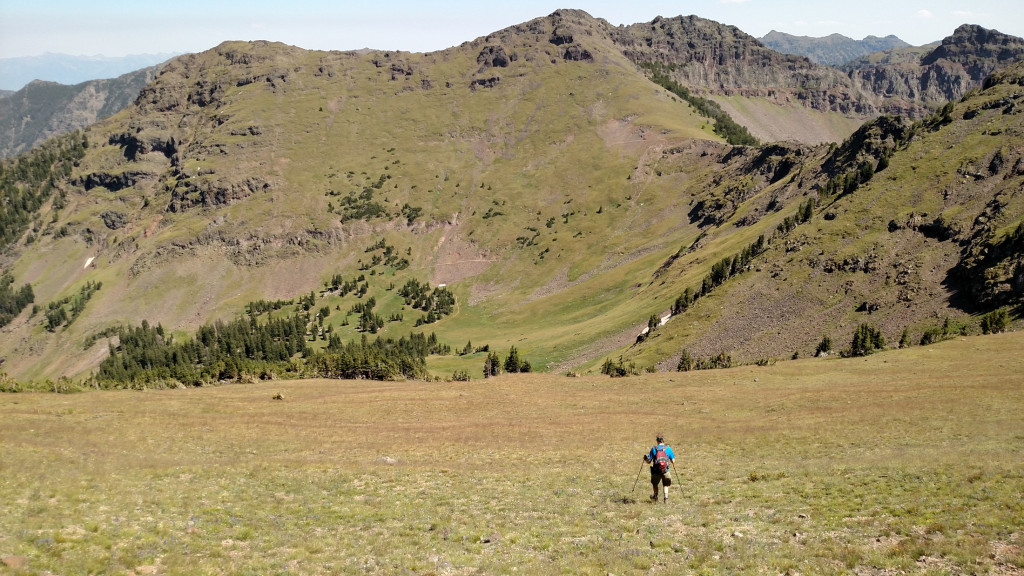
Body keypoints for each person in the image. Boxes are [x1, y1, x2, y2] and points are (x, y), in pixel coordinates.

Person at [643, 433, 675, 502]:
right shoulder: (668, 448)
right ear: (663, 440)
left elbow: (649, 461)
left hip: (656, 471)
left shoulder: (653, 449)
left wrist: (645, 459)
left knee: (655, 484)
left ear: (657, 441)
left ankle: (655, 496)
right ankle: (666, 498)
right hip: (665, 470)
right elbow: (673, 461)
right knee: (666, 484)